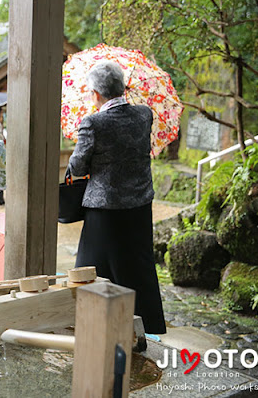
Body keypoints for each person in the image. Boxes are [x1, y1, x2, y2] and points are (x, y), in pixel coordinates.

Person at [67, 61, 166, 334]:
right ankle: (145, 327)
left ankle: (96, 326)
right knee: (138, 267)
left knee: (94, 270)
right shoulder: (144, 115)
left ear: (96, 94)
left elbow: (76, 167)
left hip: (105, 209)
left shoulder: (93, 122)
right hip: (139, 206)